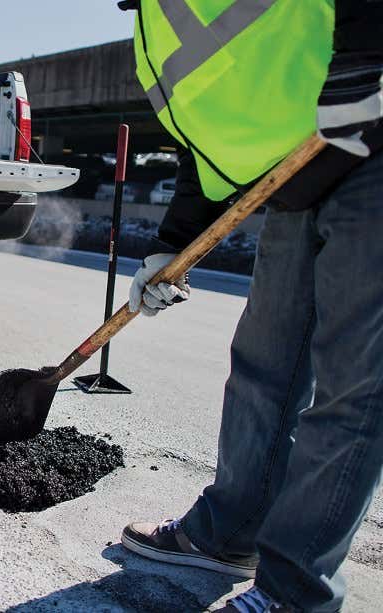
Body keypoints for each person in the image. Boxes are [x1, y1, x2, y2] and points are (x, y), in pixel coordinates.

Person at [116, 1, 383, 611]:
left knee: (354, 388)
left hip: (370, 135)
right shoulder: (151, 29)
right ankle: (229, 533)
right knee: (264, 368)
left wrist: (363, 62)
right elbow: (203, 148)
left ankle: (294, 593)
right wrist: (170, 246)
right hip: (297, 176)